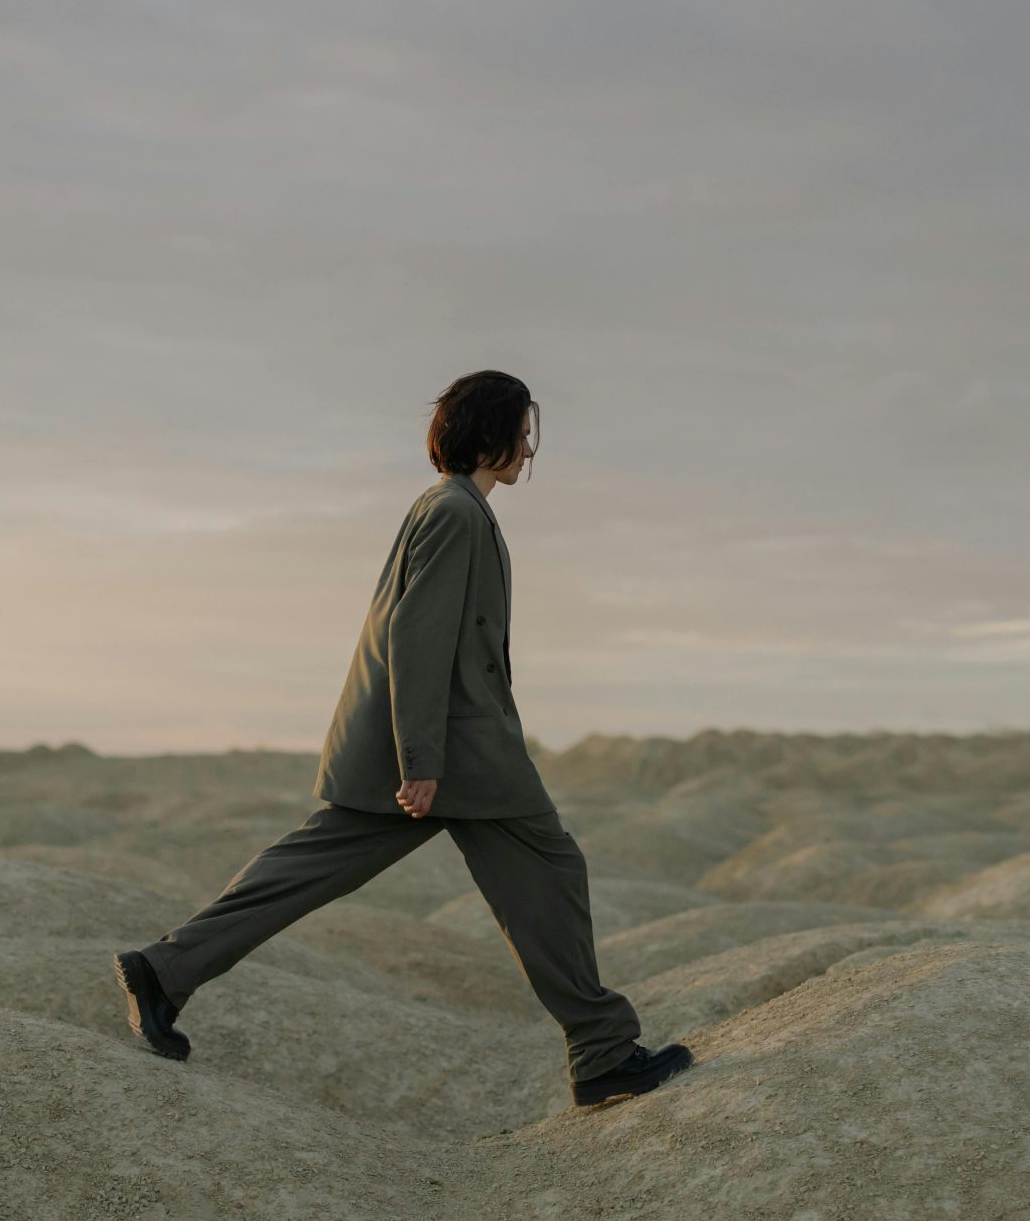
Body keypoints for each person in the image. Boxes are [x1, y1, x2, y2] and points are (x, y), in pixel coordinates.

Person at [114, 370, 694, 1109]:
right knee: (552, 869)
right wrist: (422, 761)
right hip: (457, 752)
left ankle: (165, 969)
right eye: (522, 429)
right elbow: (417, 640)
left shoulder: (448, 506)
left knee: (307, 866)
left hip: (436, 748)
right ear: (492, 430)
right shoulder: (455, 511)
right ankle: (604, 1052)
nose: (528, 446)